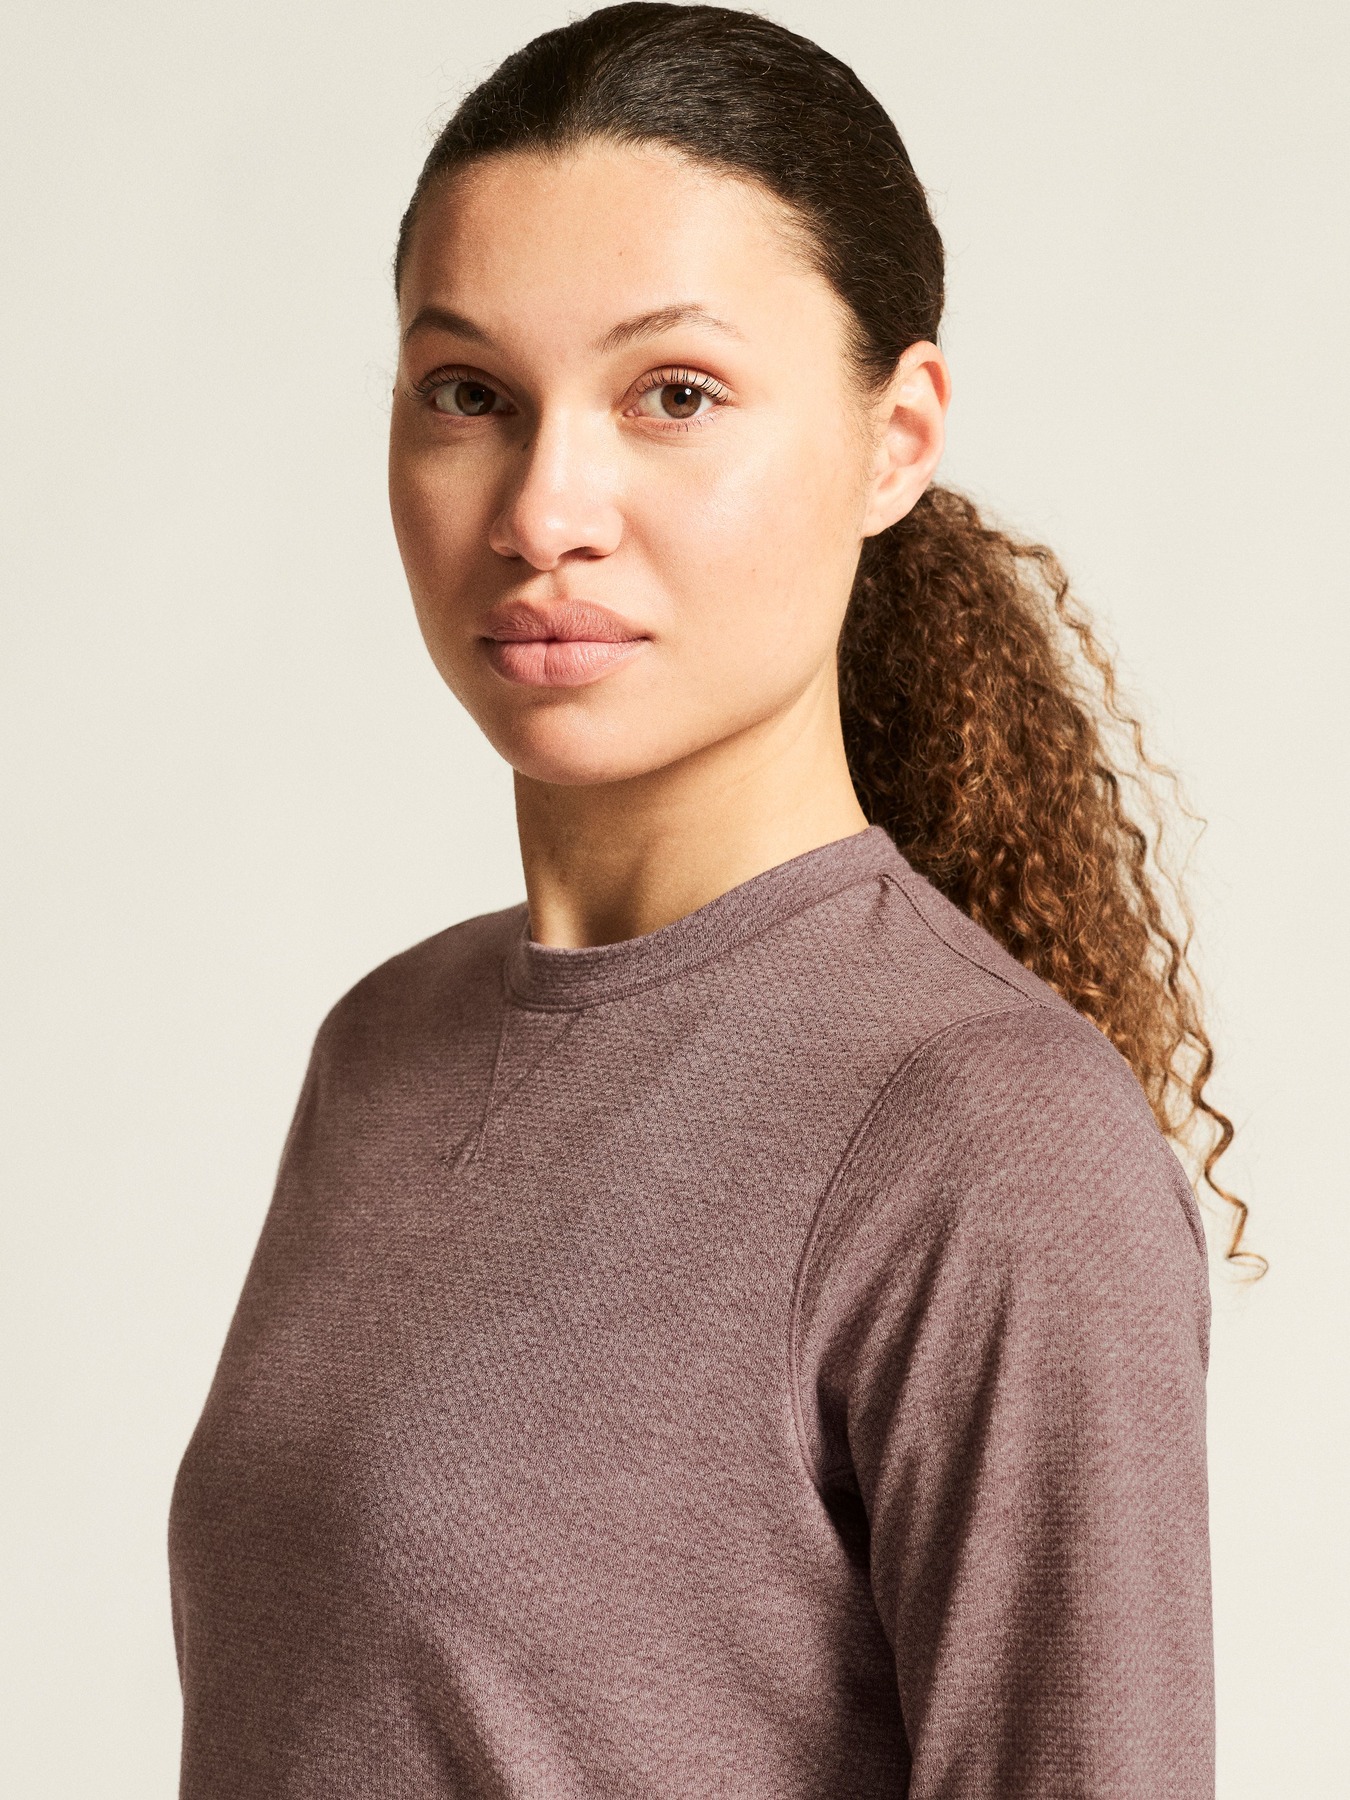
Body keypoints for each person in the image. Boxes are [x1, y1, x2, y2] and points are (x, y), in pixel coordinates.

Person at [168, 5, 1259, 1794]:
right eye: (469, 394)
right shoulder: (384, 1047)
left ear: (894, 437)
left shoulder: (983, 1133)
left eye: (672, 395)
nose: (545, 510)